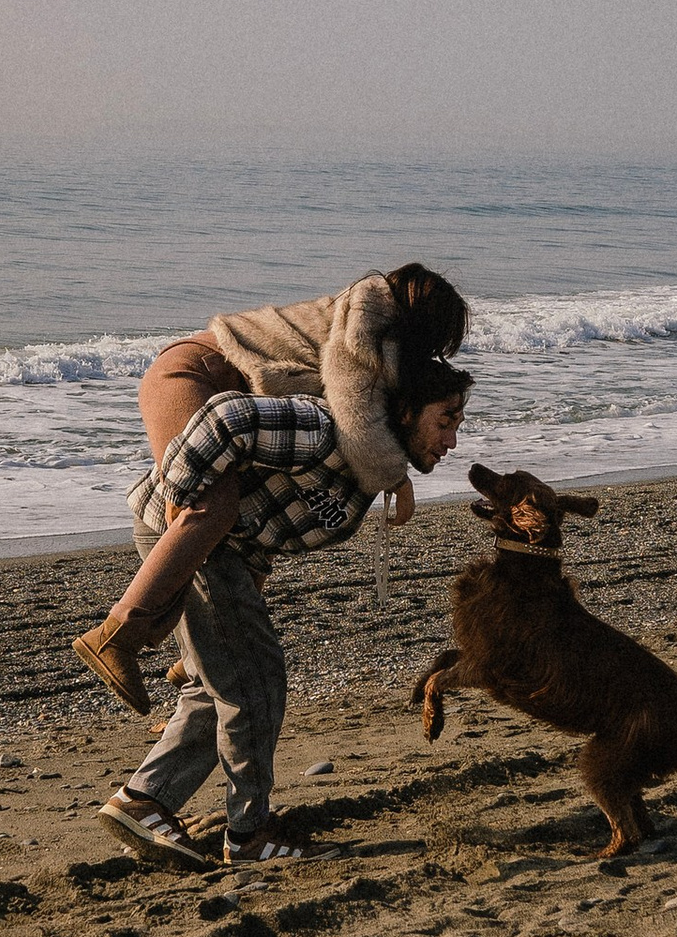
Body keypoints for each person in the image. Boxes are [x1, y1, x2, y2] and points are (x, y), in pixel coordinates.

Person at [97, 347, 472, 872]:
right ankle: (248, 834)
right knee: (256, 679)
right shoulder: (323, 429)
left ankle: (143, 801)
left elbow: (269, 525)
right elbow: (225, 419)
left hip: (224, 552)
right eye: (445, 421)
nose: (452, 440)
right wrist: (184, 510)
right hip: (192, 537)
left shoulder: (366, 471)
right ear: (406, 412)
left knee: (227, 683)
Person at [74, 263, 469, 714]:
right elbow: (356, 415)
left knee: (249, 525)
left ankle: (194, 657)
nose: (435, 355)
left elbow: (366, 415)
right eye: (437, 341)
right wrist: (397, 479)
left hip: (233, 392)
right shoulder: (367, 318)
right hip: (194, 373)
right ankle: (116, 635)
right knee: (213, 507)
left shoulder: (384, 339)